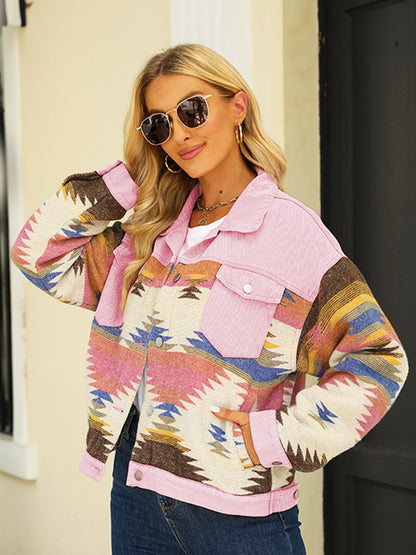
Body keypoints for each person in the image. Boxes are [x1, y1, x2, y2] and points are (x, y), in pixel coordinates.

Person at [11, 43, 408, 554]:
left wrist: (277, 437)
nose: (178, 134)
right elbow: (36, 254)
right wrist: (132, 175)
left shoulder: (293, 235)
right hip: (137, 497)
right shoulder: (147, 235)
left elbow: (380, 359)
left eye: (192, 110)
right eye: (159, 124)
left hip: (237, 517)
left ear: (237, 105)